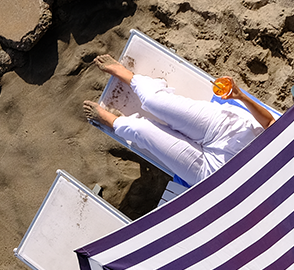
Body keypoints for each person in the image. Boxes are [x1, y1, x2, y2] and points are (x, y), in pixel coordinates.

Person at [83, 54, 275, 185]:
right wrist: (240, 96)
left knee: (140, 130)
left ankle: (112, 120)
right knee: (154, 101)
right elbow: (269, 124)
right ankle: (126, 74)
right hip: (228, 129)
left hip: (210, 172)